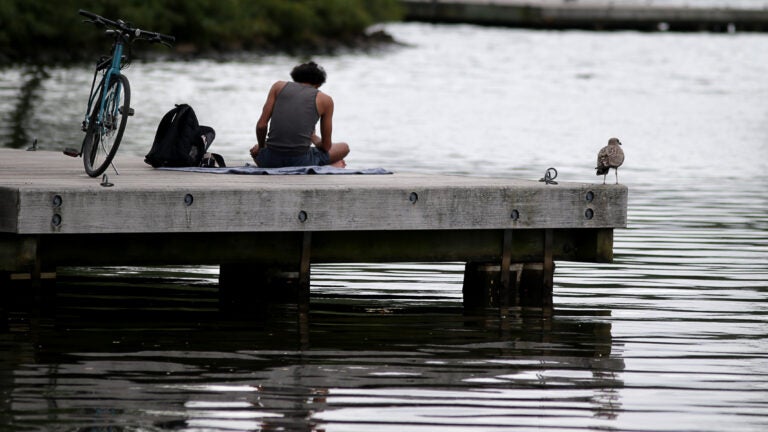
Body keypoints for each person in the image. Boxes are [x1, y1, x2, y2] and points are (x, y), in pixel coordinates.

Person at [250, 61, 350, 168]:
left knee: (256, 149)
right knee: (344, 147)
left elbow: (261, 126)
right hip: (301, 162)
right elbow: (326, 147)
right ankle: (330, 166)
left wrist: (261, 149)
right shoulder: (326, 100)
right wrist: (313, 137)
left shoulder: (277, 87)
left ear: (295, 78)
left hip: (268, 161)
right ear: (318, 84)